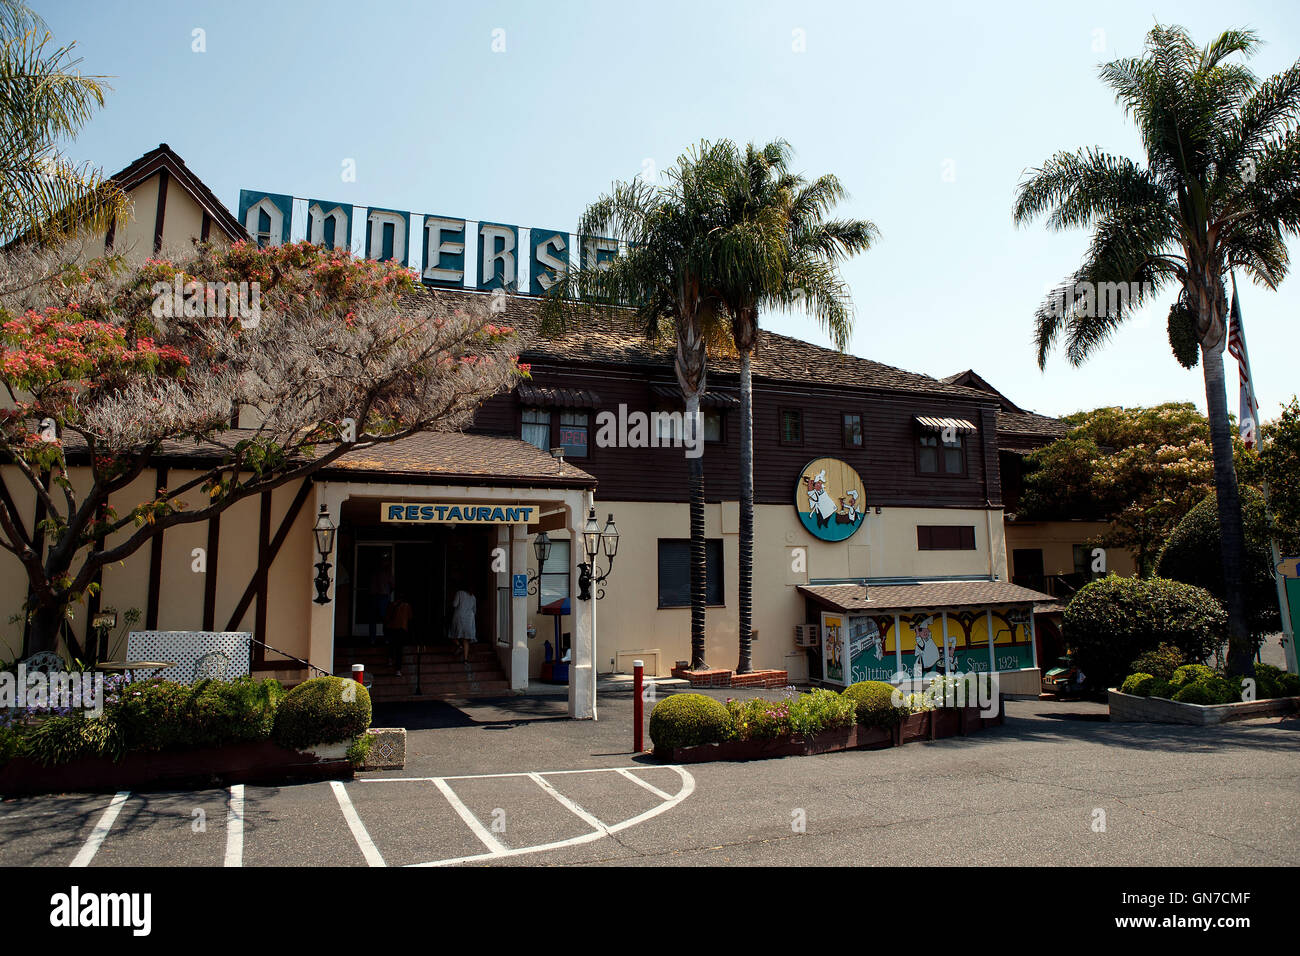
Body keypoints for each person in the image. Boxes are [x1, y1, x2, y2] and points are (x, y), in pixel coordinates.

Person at [368, 555, 394, 644]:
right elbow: (392, 585)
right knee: (384, 618)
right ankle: (385, 638)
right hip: (381, 596)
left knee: (374, 618)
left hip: (376, 596)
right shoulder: (386, 572)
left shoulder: (374, 571)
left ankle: (373, 639)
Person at [385, 592, 412, 676]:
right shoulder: (406, 606)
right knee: (399, 649)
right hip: (401, 629)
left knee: (392, 645)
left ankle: (390, 659)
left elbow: (387, 617)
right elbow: (410, 617)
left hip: (391, 628)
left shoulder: (392, 605)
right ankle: (398, 670)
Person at [450, 583, 477, 661]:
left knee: (453, 634)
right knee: (466, 639)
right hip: (469, 620)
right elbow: (474, 610)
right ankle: (465, 659)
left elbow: (454, 604)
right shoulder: (473, 597)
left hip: (459, 618)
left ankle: (459, 646)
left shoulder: (459, 593)